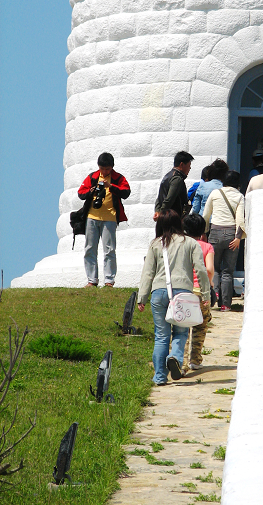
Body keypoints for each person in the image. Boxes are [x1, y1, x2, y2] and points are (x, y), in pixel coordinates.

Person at [137, 210, 210, 385]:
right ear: (180, 223)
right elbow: (200, 269)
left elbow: (148, 273)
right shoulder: (191, 243)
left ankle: (160, 376)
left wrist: (142, 298)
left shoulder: (155, 244)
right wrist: (206, 293)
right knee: (181, 331)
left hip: (159, 293)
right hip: (183, 293)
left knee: (161, 336)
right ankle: (175, 357)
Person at [78, 152, 130, 288]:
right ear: (98, 167)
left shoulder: (118, 178)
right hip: (92, 216)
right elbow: (80, 193)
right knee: (89, 249)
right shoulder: (92, 177)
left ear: (112, 167)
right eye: (102, 168)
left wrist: (111, 186)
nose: (105, 171)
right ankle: (92, 280)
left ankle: (109, 281)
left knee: (109, 250)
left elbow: (126, 192)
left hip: (110, 218)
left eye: (107, 169)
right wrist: (91, 191)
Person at [203, 170, 245, 311]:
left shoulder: (215, 193)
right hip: (232, 235)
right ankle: (226, 305)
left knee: (214, 268)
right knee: (228, 271)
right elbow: (240, 219)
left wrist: (204, 232)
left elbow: (206, 214)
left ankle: (213, 295)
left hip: (215, 232)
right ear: (237, 183)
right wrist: (238, 237)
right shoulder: (239, 196)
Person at [181, 213, 215, 374]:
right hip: (201, 292)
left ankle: (181, 362)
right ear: (203, 231)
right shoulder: (207, 247)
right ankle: (195, 359)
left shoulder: (181, 245)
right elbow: (208, 269)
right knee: (200, 326)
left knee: (183, 326)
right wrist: (210, 283)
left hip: (183, 290)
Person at [154, 151, 194, 221]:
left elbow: (159, 197)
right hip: (172, 218)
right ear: (182, 164)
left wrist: (157, 211)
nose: (190, 168)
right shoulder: (177, 179)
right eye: (188, 165)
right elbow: (169, 199)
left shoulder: (167, 176)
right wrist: (161, 213)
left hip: (165, 217)